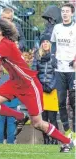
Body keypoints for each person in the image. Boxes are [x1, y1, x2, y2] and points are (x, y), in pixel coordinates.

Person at [0, 17, 75, 152]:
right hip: (14, 83)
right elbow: (1, 56)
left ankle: (68, 142)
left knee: (37, 123)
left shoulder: (5, 45)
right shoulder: (2, 44)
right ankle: (20, 116)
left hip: (29, 85)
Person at [50, 3, 76, 141]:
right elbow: (53, 44)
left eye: (67, 11)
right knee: (60, 101)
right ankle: (67, 130)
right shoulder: (57, 28)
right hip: (59, 69)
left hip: (73, 70)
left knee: (74, 102)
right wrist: (53, 56)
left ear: (72, 13)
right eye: (63, 11)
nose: (64, 13)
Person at [32, 35, 59, 145]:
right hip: (41, 90)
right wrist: (41, 86)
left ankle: (55, 139)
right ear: (41, 44)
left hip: (52, 91)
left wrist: (51, 86)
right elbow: (34, 73)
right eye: (43, 42)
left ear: (50, 44)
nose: (45, 43)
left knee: (52, 118)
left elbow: (57, 73)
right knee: (43, 118)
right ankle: (46, 140)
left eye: (47, 41)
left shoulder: (55, 57)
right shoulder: (37, 56)